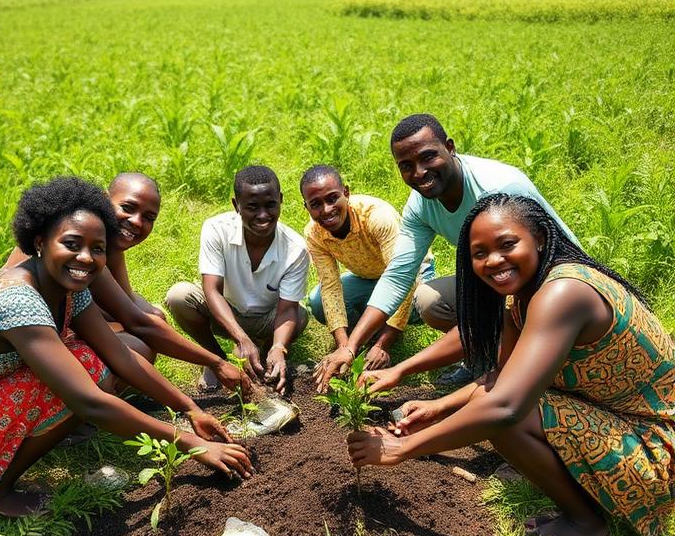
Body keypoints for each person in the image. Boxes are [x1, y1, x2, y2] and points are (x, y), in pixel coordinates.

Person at [0, 177, 253, 520]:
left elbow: (120, 355)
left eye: (98, 249)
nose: (86, 259)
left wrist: (189, 408)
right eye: (72, 245)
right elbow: (89, 400)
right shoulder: (17, 300)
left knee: (95, 360)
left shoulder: (67, 290)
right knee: (81, 378)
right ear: (40, 241)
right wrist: (193, 445)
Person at [347, 194, 675, 536]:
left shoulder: (562, 293)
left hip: (658, 449)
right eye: (479, 253)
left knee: (506, 417)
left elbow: (505, 406)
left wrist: (402, 448)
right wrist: (437, 407)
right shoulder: (525, 293)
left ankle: (587, 525)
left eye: (507, 244)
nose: (494, 261)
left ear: (540, 238)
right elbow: (500, 371)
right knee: (498, 397)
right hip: (620, 418)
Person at [315, 113, 578, 392]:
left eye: (428, 157)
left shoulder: (498, 189)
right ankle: (485, 355)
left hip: (554, 278)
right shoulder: (421, 206)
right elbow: (398, 275)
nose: (419, 172)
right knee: (430, 301)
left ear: (450, 148)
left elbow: (555, 255)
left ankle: (516, 355)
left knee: (524, 377)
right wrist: (350, 346)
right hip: (499, 277)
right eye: (406, 165)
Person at [4, 172, 254, 397]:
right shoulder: (73, 249)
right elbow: (134, 320)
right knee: (136, 345)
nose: (136, 221)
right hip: (22, 354)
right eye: (127, 207)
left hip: (45, 337)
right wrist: (216, 363)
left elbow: (126, 303)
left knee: (151, 321)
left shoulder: (102, 250)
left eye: (148, 217)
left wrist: (152, 319)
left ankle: (110, 399)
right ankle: (85, 416)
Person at [166, 165, 310, 395]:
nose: (263, 215)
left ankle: (264, 352)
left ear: (281, 200)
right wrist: (241, 337)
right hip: (224, 311)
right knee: (179, 296)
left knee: (300, 315)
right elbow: (212, 290)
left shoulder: (296, 248)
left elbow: (287, 309)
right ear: (236, 205)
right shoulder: (216, 229)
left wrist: (279, 347)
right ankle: (216, 359)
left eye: (270, 205)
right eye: (252, 207)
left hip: (266, 318)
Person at [301, 164, 434, 370]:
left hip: (412, 274)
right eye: (315, 204)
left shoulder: (376, 217)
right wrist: (344, 347)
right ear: (306, 207)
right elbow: (330, 287)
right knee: (317, 302)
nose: (326, 210)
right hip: (367, 277)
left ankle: (384, 334)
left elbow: (403, 279)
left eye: (332, 198)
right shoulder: (314, 233)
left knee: (422, 307)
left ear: (346, 193)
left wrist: (384, 344)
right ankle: (369, 331)